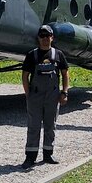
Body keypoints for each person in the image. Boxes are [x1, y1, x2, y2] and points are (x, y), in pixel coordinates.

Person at [21, 24, 69, 168]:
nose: (45, 39)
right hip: (35, 97)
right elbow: (25, 75)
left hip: (52, 97)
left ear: (52, 37)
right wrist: (28, 94)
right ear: (38, 38)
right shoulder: (32, 55)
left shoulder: (58, 54)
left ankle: (48, 154)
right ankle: (30, 157)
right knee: (33, 126)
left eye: (47, 36)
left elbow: (65, 74)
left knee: (50, 126)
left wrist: (64, 92)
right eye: (42, 36)